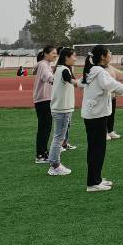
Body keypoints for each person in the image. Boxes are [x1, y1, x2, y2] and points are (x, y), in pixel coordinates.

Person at [81, 45, 123, 192]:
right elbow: (111, 84)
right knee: (97, 149)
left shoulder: (93, 70)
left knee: (95, 148)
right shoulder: (99, 71)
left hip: (94, 114)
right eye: (109, 53)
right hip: (96, 115)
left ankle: (96, 178)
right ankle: (93, 183)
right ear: (102, 56)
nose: (110, 55)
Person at [47, 48, 80, 176]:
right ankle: (55, 165)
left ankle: (54, 164)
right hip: (62, 109)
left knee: (58, 137)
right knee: (58, 138)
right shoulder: (64, 70)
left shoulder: (60, 68)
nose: (75, 59)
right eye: (74, 56)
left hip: (60, 108)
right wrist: (85, 82)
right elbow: (73, 82)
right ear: (67, 57)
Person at [33, 46, 58, 164]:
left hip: (44, 99)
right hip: (43, 100)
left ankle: (43, 152)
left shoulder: (45, 64)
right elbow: (47, 77)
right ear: (45, 54)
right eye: (53, 53)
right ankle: (40, 155)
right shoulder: (44, 65)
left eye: (56, 53)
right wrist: (56, 80)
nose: (55, 55)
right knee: (44, 128)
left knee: (46, 127)